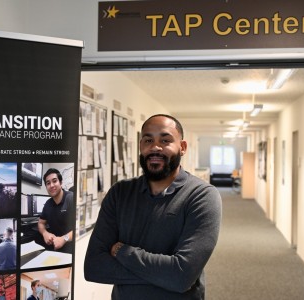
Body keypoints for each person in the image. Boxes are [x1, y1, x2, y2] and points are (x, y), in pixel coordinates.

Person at [84, 114, 222, 299]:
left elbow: (181, 277)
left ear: (182, 147)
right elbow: (94, 267)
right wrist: (164, 275)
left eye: (165, 140)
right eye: (148, 140)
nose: (155, 147)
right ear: (140, 146)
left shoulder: (202, 195)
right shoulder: (120, 193)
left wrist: (123, 252)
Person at [37, 168, 74, 253]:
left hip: (72, 249)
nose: (52, 185)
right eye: (48, 183)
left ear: (61, 183)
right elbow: (40, 223)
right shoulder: (47, 204)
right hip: (55, 249)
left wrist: (64, 239)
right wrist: (45, 233)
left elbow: (80, 228)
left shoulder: (71, 198)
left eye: (54, 181)